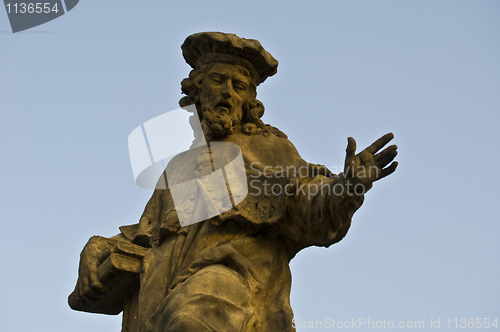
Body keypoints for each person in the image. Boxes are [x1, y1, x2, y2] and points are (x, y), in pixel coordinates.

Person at [69, 32, 398, 332]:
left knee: (189, 319)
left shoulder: (269, 147)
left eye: (238, 86)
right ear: (198, 92)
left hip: (230, 278)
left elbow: (307, 200)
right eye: (217, 80)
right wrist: (99, 246)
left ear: (249, 102)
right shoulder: (178, 168)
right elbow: (150, 235)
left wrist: (348, 187)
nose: (227, 91)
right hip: (159, 294)